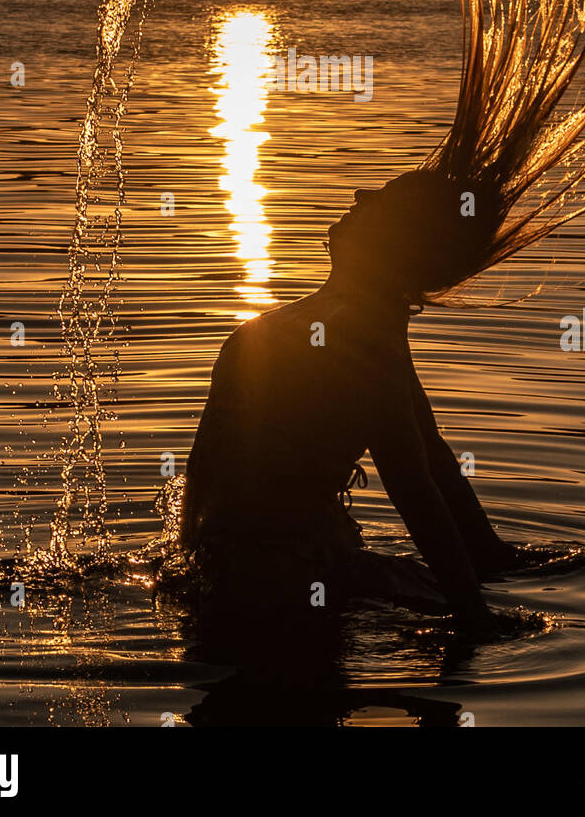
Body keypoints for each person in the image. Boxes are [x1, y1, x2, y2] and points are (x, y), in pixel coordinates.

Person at [180, 169, 521, 638]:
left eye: (383, 197)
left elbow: (429, 456)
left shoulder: (346, 327)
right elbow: (414, 487)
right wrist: (474, 614)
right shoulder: (360, 333)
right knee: (482, 611)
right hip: (280, 577)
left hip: (221, 573)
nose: (361, 192)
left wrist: (490, 557)